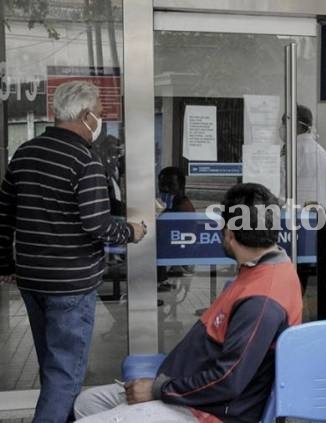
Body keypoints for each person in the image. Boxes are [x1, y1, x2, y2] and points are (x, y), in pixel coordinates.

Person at [74, 183, 303, 423]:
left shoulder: (261, 300)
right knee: (87, 403)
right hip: (182, 392)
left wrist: (157, 390)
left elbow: (228, 382)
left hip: (205, 412)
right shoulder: (263, 269)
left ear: (229, 233)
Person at [0, 80, 146, 422]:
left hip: (32, 279)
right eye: (100, 113)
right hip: (71, 285)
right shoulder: (84, 160)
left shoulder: (25, 152)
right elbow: (98, 224)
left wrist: (5, 262)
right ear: (85, 115)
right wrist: (133, 231)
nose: (101, 120)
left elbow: (4, 214)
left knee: (54, 367)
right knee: (65, 376)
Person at [279, 104, 326, 207]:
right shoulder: (324, 154)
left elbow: (281, 189)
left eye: (284, 123)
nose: (282, 128)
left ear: (296, 125)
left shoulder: (293, 152)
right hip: (318, 216)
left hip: (294, 217)